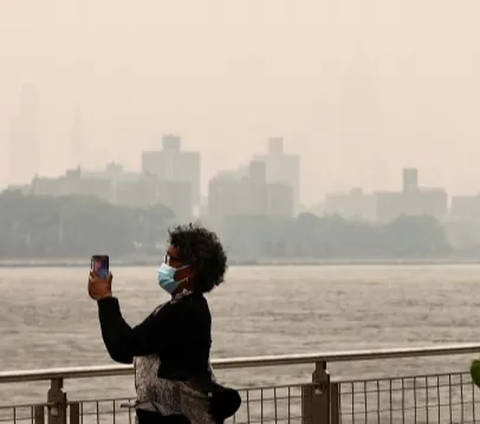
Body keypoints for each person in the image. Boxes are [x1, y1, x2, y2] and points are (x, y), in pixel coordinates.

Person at [88, 223, 239, 424]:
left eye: (172, 260)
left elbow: (124, 346)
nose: (165, 265)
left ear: (191, 270)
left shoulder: (183, 312)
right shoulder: (185, 307)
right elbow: (137, 350)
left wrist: (105, 299)